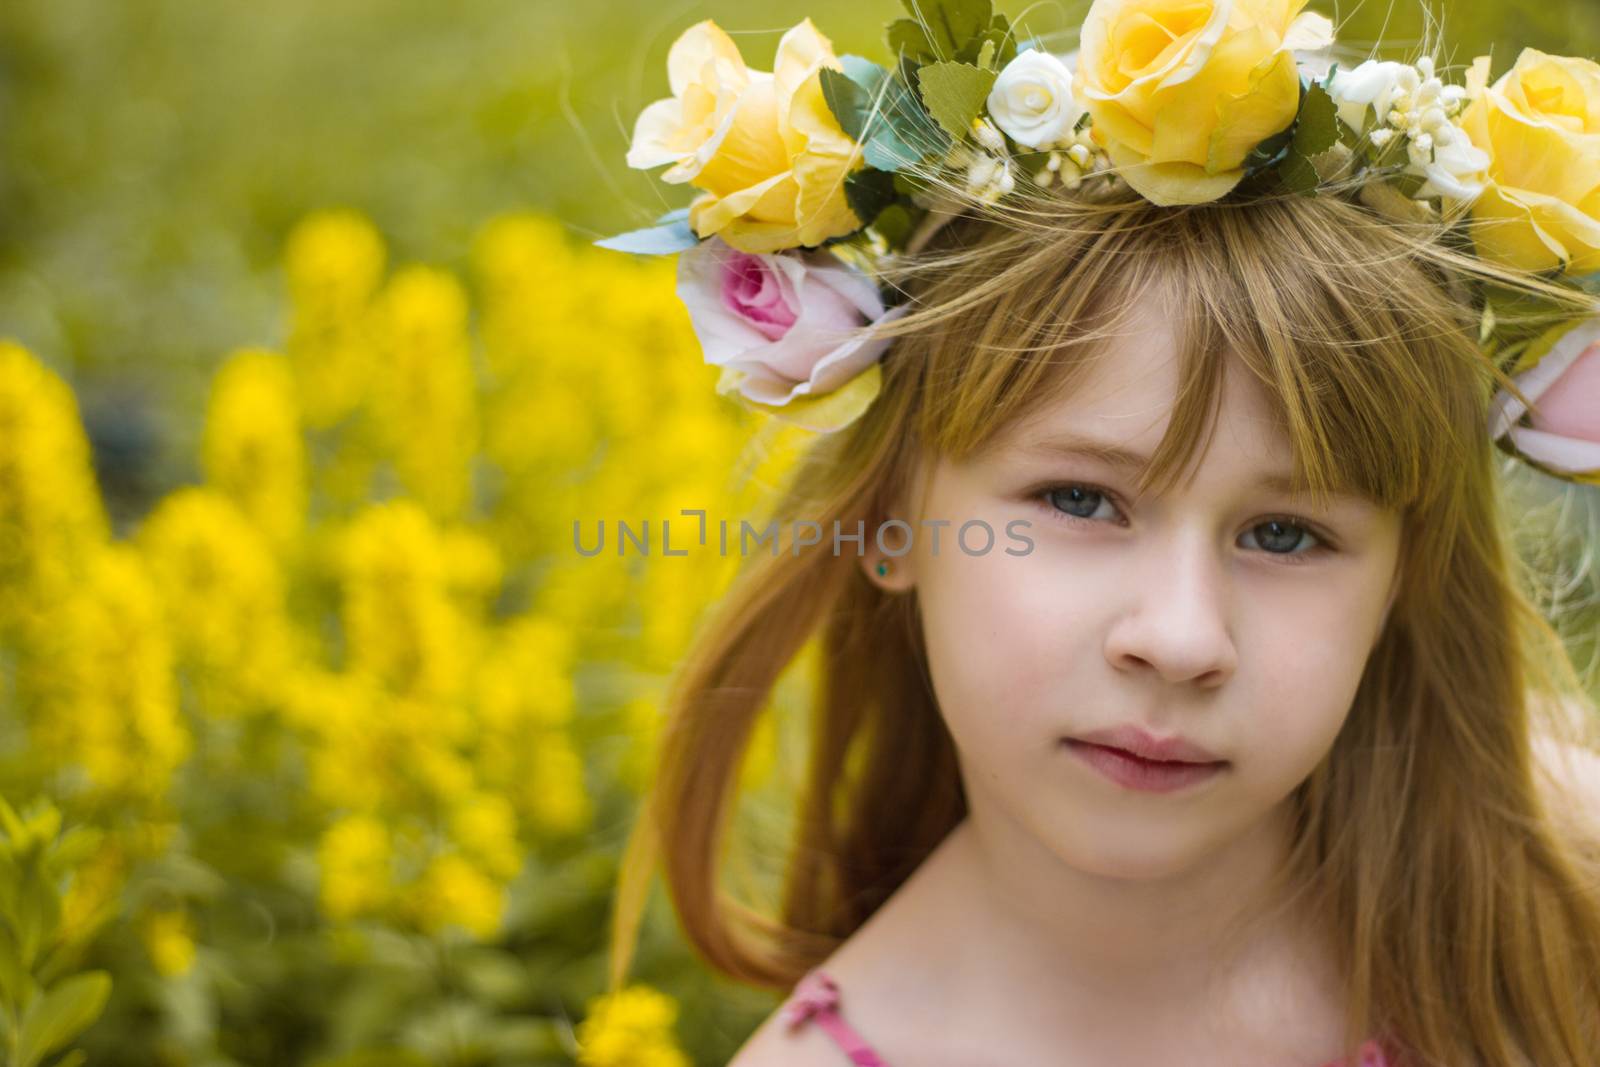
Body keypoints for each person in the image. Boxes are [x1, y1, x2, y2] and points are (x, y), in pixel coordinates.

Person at [597, 3, 1600, 1063]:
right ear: (891, 517)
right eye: (1080, 500)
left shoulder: (1562, 900)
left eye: (1285, 534)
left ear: (1404, 575)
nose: (1179, 638)